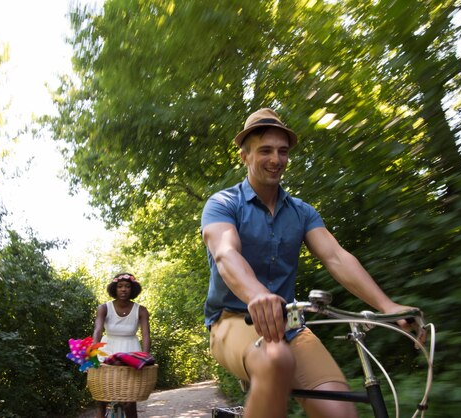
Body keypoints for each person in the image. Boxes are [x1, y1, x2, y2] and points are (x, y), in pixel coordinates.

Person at [201, 108, 424, 418]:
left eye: (283, 151)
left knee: (341, 413)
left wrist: (387, 306)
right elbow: (226, 253)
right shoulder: (223, 204)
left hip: (290, 324)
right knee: (276, 358)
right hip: (232, 320)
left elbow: (336, 257)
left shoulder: (302, 212)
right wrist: (256, 295)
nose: (276, 159)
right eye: (265, 150)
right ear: (245, 156)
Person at [92, 272, 151, 418]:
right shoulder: (104, 308)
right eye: (120, 286)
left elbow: (146, 335)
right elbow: (98, 330)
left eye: (127, 286)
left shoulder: (141, 310)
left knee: (130, 400)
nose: (123, 289)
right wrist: (91, 355)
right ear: (115, 289)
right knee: (101, 399)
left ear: (132, 289)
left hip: (131, 350)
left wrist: (145, 357)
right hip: (107, 349)